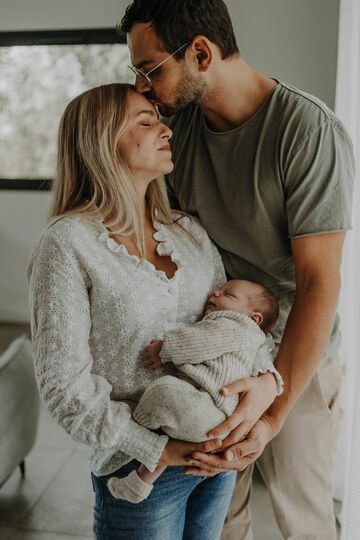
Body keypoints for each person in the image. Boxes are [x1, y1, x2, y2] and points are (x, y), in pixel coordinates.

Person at [120, 1, 355, 538]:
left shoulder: (306, 130)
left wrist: (272, 410)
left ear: (201, 52)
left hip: (299, 354)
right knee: (221, 518)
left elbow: (320, 282)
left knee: (305, 520)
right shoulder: (177, 135)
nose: (143, 85)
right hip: (216, 355)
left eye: (151, 68)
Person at [27, 83, 280, 540]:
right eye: (146, 122)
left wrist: (266, 384)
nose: (166, 129)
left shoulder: (189, 233)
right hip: (138, 467)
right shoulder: (67, 244)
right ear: (102, 142)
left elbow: (239, 328)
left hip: (214, 462)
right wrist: (158, 449)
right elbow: (64, 388)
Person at [107, 279, 282, 503]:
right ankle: (139, 483)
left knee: (164, 392)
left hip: (210, 409)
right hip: (216, 420)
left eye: (228, 295)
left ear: (253, 318)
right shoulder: (251, 338)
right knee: (167, 441)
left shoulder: (235, 326)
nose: (215, 293)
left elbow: (199, 343)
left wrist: (164, 347)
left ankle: (136, 421)